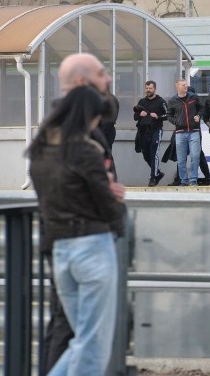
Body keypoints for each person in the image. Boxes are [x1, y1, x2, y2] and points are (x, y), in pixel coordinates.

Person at [28, 85, 125, 376]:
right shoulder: (84, 150)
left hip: (60, 247)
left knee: (82, 339)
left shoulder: (41, 151)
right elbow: (107, 205)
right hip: (92, 244)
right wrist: (115, 207)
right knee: (93, 344)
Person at [167, 79, 203, 186]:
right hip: (180, 132)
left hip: (194, 131)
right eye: (183, 85)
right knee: (181, 159)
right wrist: (177, 122)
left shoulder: (193, 97)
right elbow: (169, 115)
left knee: (195, 156)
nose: (185, 86)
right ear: (177, 87)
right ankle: (183, 180)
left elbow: (201, 108)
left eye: (186, 85)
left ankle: (193, 180)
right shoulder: (173, 101)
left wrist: (198, 116)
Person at [134, 80, 167, 186]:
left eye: (150, 88)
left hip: (156, 130)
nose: (148, 90)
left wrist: (157, 116)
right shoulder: (141, 102)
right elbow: (135, 117)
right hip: (143, 132)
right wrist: (140, 115)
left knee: (154, 153)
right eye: (147, 88)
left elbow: (168, 115)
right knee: (146, 155)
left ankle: (153, 178)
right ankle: (157, 173)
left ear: (155, 89)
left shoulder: (161, 101)